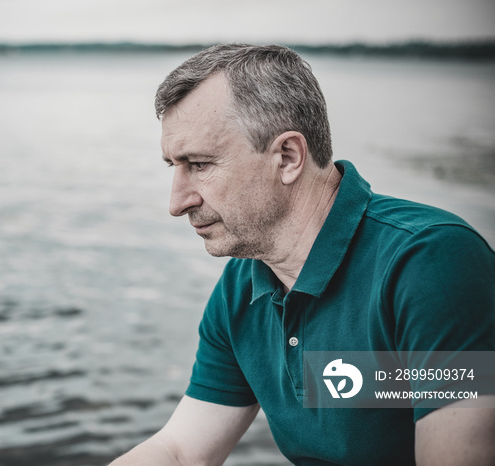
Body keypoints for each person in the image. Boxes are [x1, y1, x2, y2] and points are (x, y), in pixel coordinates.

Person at [109, 44, 495, 465]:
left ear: (288, 157)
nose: (177, 202)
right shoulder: (243, 286)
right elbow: (181, 452)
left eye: (199, 164)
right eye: (174, 167)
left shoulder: (430, 263)